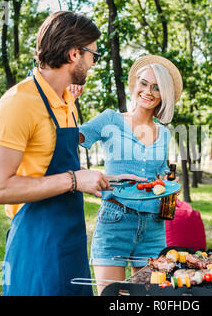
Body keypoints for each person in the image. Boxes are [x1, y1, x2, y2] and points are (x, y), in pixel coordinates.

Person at [0, 11, 144, 296]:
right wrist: (74, 180)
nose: (94, 63)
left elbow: (58, 168)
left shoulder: (65, 100)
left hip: (70, 244)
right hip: (37, 248)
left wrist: (107, 179)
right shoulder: (18, 103)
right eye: (93, 55)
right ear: (74, 54)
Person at [78, 54, 183, 295]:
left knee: (152, 296)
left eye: (156, 88)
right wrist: (68, 100)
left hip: (153, 226)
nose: (148, 91)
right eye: (144, 83)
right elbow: (72, 138)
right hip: (115, 220)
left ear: (163, 95)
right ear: (134, 85)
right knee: (113, 297)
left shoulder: (164, 133)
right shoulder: (111, 120)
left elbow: (159, 173)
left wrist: (168, 180)